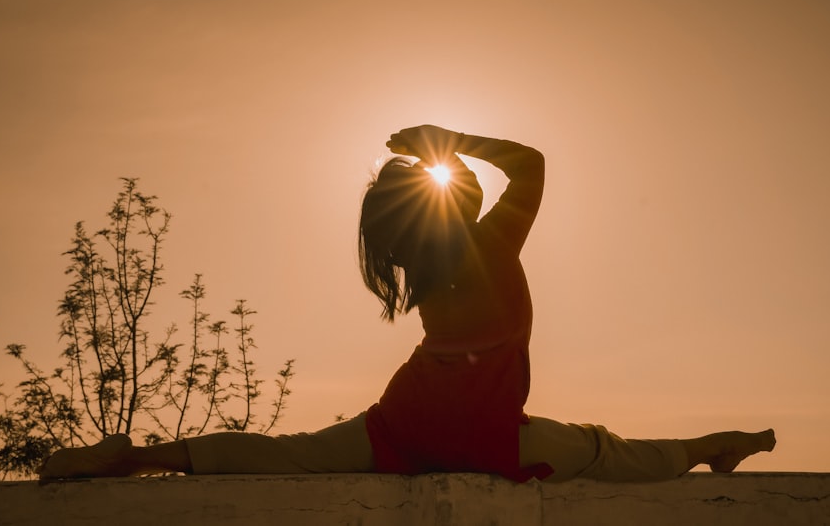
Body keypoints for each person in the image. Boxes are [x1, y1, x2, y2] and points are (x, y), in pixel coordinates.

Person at [39, 125, 775, 484]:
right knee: (605, 451)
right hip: (485, 432)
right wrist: (447, 138)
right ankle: (714, 445)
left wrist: (428, 165)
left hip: (412, 416)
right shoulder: (492, 243)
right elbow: (532, 163)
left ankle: (135, 458)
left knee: (292, 453)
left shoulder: (417, 266)